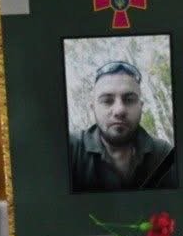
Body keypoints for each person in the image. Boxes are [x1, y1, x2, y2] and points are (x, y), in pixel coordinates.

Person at [68, 60, 176, 192]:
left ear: (141, 106)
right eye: (107, 101)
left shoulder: (163, 154)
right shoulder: (70, 149)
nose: (119, 110)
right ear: (93, 108)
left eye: (129, 100)